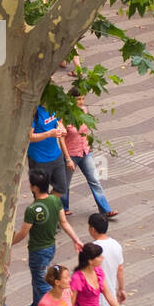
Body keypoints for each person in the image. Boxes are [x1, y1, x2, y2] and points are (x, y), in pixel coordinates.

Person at [12, 170, 84, 306]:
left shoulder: (32, 209)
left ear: (34, 188)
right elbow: (64, 223)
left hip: (37, 251)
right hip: (51, 247)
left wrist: (10, 243)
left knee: (42, 284)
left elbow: (24, 232)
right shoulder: (55, 200)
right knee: (37, 280)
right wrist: (76, 239)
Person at [62, 90, 117, 218]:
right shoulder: (65, 116)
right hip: (71, 153)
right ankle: (63, 208)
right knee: (65, 183)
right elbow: (61, 139)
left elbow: (86, 130)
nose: (81, 102)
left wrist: (89, 144)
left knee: (94, 180)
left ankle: (105, 209)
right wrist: (67, 158)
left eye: (82, 99)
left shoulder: (84, 110)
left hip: (85, 152)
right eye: (78, 100)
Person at [26, 104, 72, 209]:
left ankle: (47, 208)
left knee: (62, 187)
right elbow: (29, 137)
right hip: (38, 159)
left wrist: (61, 128)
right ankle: (43, 216)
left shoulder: (54, 104)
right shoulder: (35, 111)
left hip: (56, 155)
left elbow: (59, 121)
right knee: (40, 193)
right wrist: (48, 134)